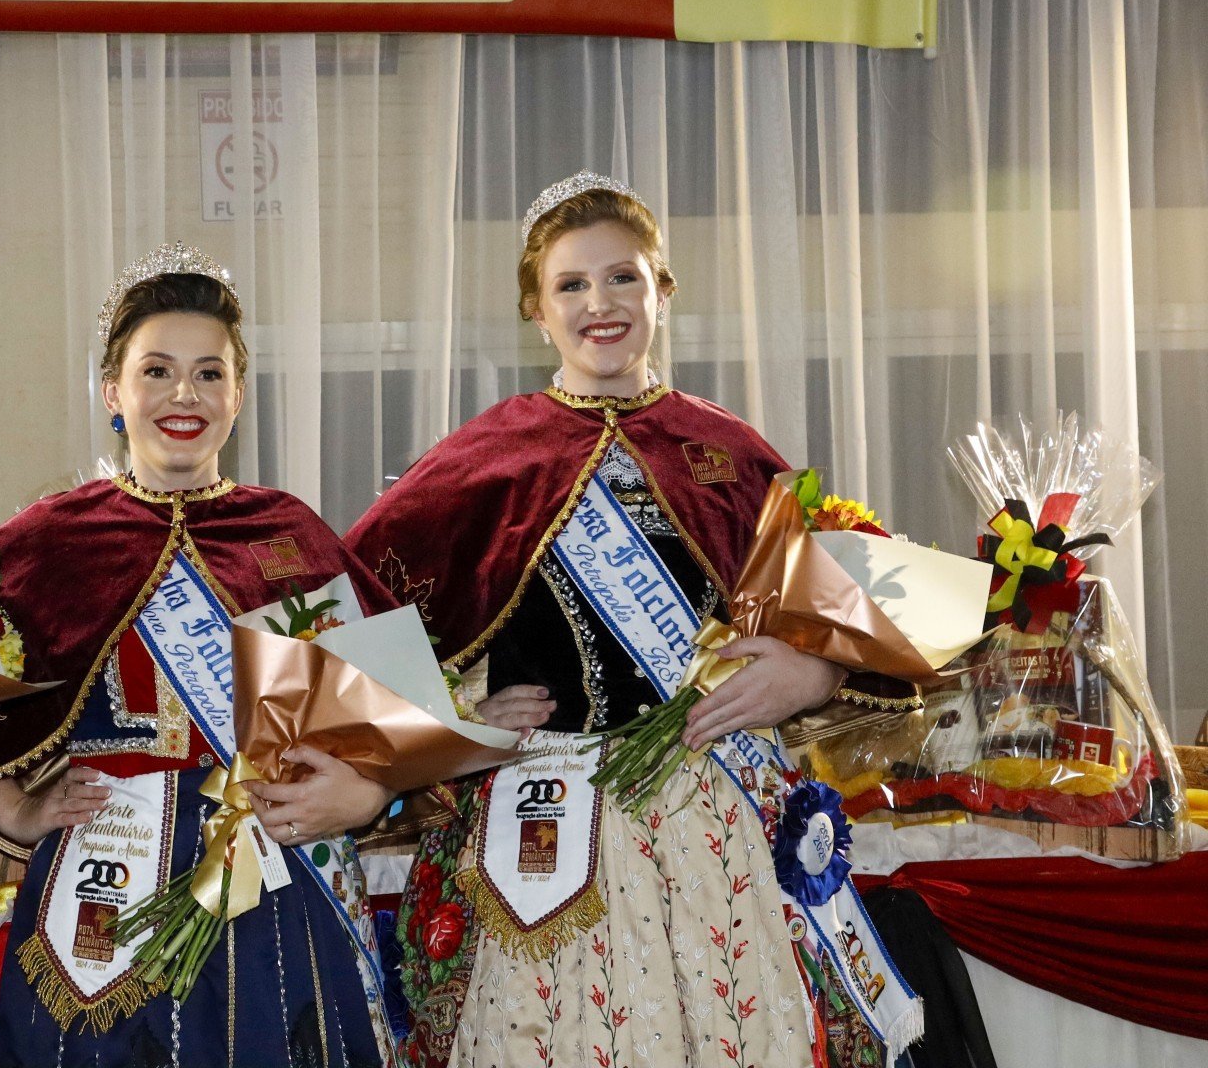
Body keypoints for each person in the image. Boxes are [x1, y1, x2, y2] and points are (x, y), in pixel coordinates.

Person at [344, 174, 924, 1068]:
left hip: (714, 817)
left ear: (664, 290)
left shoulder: (730, 455)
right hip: (546, 820)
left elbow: (864, 637)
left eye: (623, 278)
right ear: (535, 311)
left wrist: (817, 672)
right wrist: (454, 726)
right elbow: (344, 631)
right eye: (571, 285)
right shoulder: (481, 466)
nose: (599, 304)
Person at [0, 243, 404, 1068]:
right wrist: (10, 808)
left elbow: (400, 724)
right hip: (100, 888)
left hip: (275, 888)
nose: (182, 395)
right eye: (156, 371)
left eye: (208, 374)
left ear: (237, 396)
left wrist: (365, 796)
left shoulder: (290, 536)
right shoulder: (45, 542)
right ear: (112, 392)